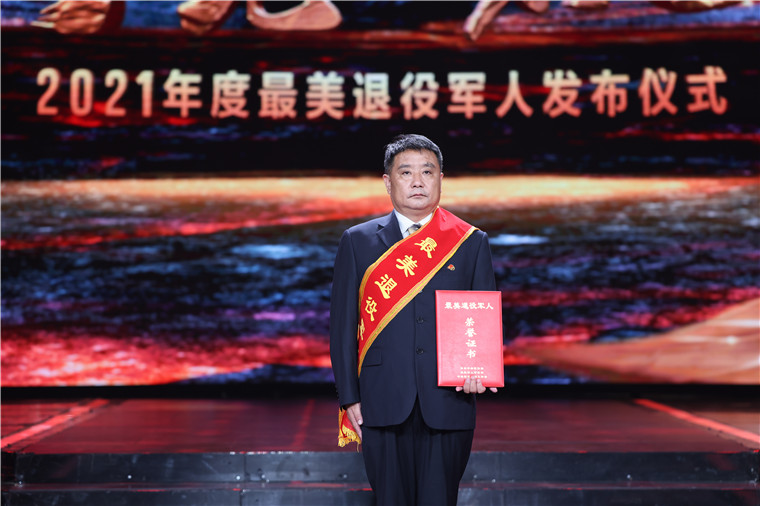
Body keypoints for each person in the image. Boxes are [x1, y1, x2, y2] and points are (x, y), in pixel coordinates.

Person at [330, 133, 498, 506]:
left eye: (428, 171)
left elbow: (482, 318)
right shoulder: (357, 241)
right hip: (380, 399)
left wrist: (480, 370)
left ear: (441, 179)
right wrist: (349, 398)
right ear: (388, 182)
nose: (418, 181)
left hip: (449, 400)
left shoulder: (470, 242)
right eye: (406, 172)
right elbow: (342, 328)